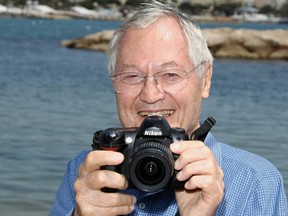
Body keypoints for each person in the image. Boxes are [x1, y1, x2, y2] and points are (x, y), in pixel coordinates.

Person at [50, 1, 288, 215]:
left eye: (171, 74)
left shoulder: (256, 183)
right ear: (113, 83)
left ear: (205, 80)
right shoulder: (87, 173)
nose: (151, 95)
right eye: (132, 76)